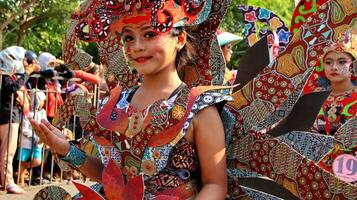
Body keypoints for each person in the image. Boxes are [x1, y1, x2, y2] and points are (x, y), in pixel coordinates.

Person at [30, 1, 228, 199]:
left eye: (150, 34)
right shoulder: (116, 103)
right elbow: (110, 176)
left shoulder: (200, 107)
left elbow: (215, 185)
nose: (137, 46)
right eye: (128, 37)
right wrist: (66, 149)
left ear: (180, 39)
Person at [0, 46, 39, 194]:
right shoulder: (5, 75)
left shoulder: (9, 74)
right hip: (7, 115)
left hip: (11, 115)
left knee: (8, 151)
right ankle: (8, 182)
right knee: (7, 151)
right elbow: (13, 88)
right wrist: (27, 73)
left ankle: (6, 180)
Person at [17, 91, 47, 187]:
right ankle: (20, 180)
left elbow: (44, 124)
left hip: (38, 141)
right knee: (22, 160)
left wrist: (43, 137)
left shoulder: (43, 112)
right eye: (42, 101)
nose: (43, 103)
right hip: (27, 140)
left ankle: (26, 167)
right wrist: (35, 136)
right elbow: (24, 129)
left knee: (37, 161)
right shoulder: (27, 113)